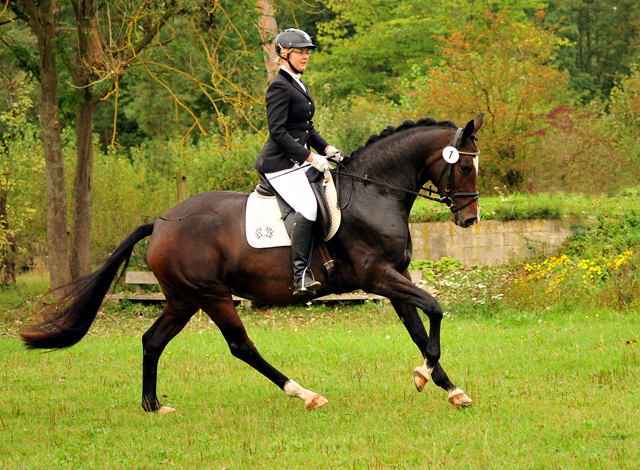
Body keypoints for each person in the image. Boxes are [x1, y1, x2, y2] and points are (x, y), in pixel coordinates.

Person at [253, 28, 343, 296]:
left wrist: (326, 148)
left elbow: (306, 128)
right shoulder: (279, 86)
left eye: (306, 52)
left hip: (297, 162)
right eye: (299, 52)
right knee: (309, 205)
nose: (305, 57)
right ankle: (300, 275)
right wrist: (310, 157)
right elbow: (278, 133)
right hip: (279, 165)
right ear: (283, 54)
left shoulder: (298, 83)